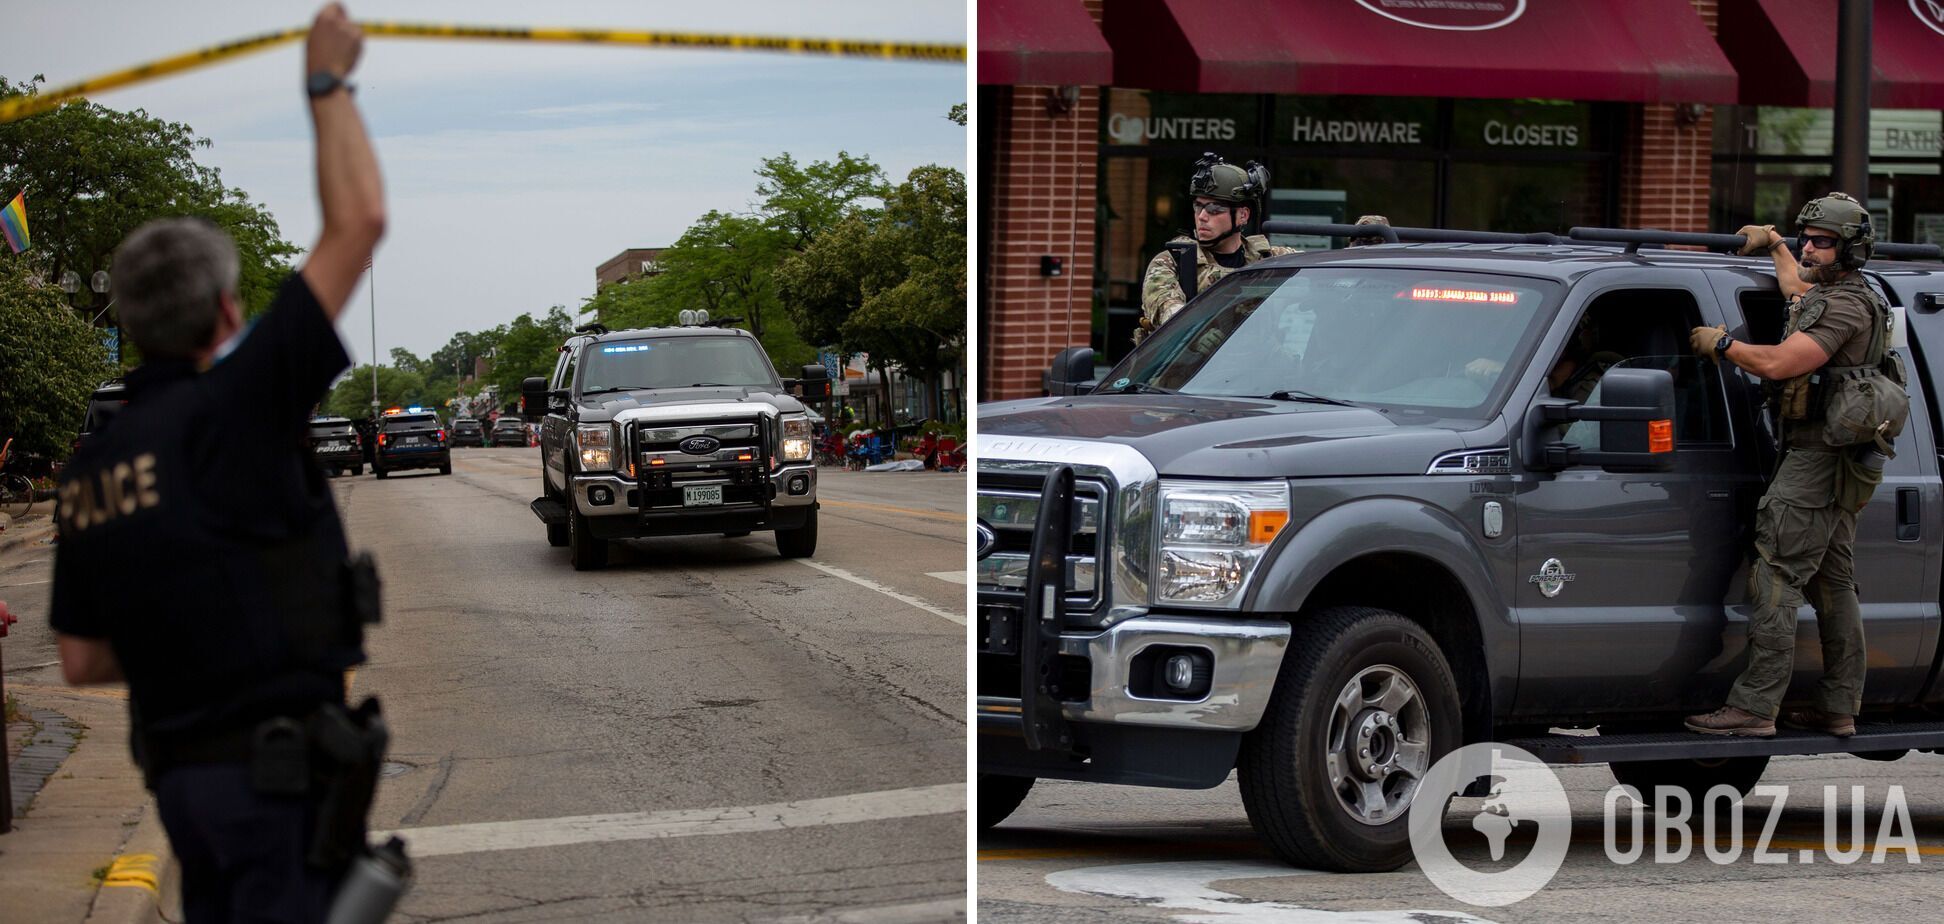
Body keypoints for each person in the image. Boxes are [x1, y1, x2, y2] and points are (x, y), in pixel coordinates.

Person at [50, 5, 388, 919]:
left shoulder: (89, 471)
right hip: (274, 781)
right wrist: (329, 83)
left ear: (127, 322)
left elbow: (80, 661)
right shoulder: (240, 406)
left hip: (181, 786)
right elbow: (357, 222)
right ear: (230, 315)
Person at [1684, 192, 1889, 738]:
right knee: (1832, 581)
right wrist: (1775, 243)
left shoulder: (1847, 304)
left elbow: (1778, 363)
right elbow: (1797, 290)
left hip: (1817, 462)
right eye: (1805, 238)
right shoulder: (1840, 292)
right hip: (1834, 462)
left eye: (1821, 242)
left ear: (1849, 251)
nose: (1809, 249)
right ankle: (1838, 706)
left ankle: (1755, 707)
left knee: (1775, 573)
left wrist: (1722, 344)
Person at [1135, 153, 1297, 346]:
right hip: (1188, 374)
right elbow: (1167, 307)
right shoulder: (1172, 262)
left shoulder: (1271, 260)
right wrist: (1194, 335)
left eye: (1214, 209)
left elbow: (1322, 269)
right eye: (1198, 207)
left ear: (1243, 215)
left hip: (1255, 370)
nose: (1202, 216)